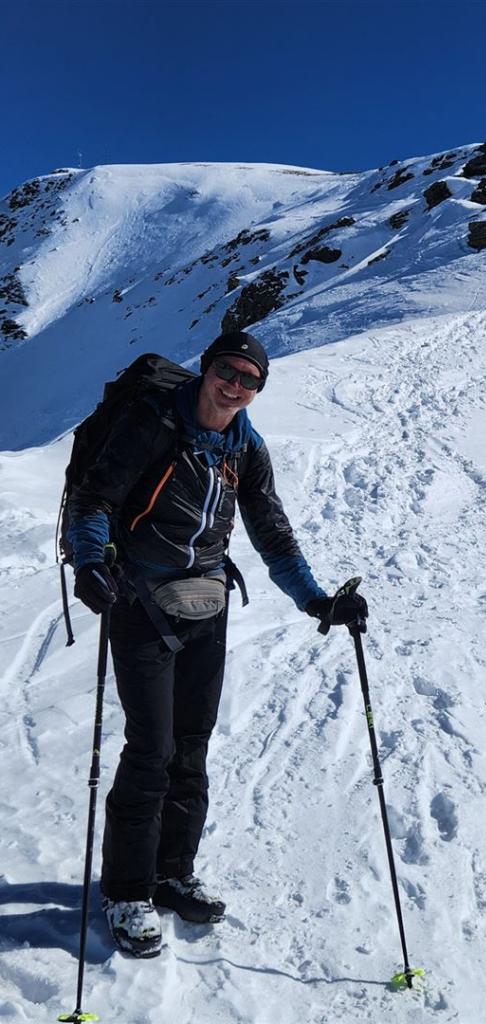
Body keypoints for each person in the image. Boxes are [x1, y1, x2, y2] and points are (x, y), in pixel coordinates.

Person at [67, 330, 366, 957]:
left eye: (249, 379)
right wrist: (91, 561)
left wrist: (316, 600)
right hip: (138, 599)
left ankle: (173, 871)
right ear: (206, 370)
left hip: (205, 604)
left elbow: (271, 531)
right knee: (151, 747)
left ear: (257, 390)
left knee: (191, 746)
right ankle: (126, 890)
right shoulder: (152, 423)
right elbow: (95, 499)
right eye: (227, 371)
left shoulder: (245, 447)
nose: (235, 385)